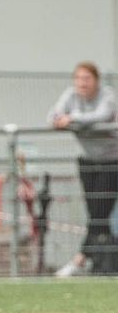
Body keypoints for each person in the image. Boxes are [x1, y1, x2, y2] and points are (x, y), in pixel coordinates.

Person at [50, 61, 118, 276]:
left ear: (96, 80)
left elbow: (102, 116)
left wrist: (72, 119)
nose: (82, 83)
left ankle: (79, 259)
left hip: (112, 161)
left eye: (87, 78)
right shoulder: (70, 95)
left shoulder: (107, 95)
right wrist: (69, 120)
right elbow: (52, 117)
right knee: (96, 215)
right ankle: (104, 264)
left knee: (99, 212)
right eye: (79, 78)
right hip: (88, 161)